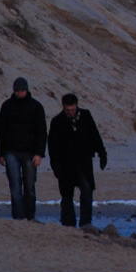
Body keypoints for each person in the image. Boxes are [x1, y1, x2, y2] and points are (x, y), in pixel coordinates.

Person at [47, 93, 107, 227]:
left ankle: (86, 222)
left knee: (87, 190)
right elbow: (53, 146)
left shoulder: (85, 116)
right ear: (63, 107)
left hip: (84, 162)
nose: (71, 112)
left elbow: (95, 135)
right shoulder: (57, 121)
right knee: (67, 195)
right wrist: (55, 164)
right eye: (68, 110)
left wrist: (102, 154)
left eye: (73, 110)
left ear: (76, 106)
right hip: (65, 164)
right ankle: (68, 223)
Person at [0, 77, 47, 221]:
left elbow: (41, 132)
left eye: (22, 90)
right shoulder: (7, 106)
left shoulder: (36, 107)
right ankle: (18, 216)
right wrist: (0, 153)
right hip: (11, 151)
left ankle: (30, 216)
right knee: (15, 186)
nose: (20, 93)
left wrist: (39, 154)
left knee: (29, 186)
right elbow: (1, 131)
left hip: (30, 153)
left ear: (27, 90)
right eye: (17, 90)